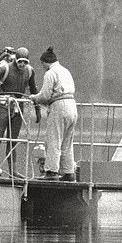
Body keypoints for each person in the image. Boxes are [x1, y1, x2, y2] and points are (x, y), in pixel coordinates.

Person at [0, 46, 41, 177]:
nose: (22, 65)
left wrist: (37, 110)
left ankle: (13, 172)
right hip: (3, 105)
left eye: (24, 62)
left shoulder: (30, 71)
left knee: (12, 141)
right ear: (15, 59)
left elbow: (33, 90)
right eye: (20, 61)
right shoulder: (5, 68)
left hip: (18, 106)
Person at [28, 46, 77, 181]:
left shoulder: (51, 73)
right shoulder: (65, 71)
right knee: (67, 141)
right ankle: (68, 172)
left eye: (42, 64)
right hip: (72, 106)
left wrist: (34, 98)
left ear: (45, 62)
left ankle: (51, 171)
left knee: (53, 139)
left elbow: (45, 95)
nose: (42, 67)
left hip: (59, 106)